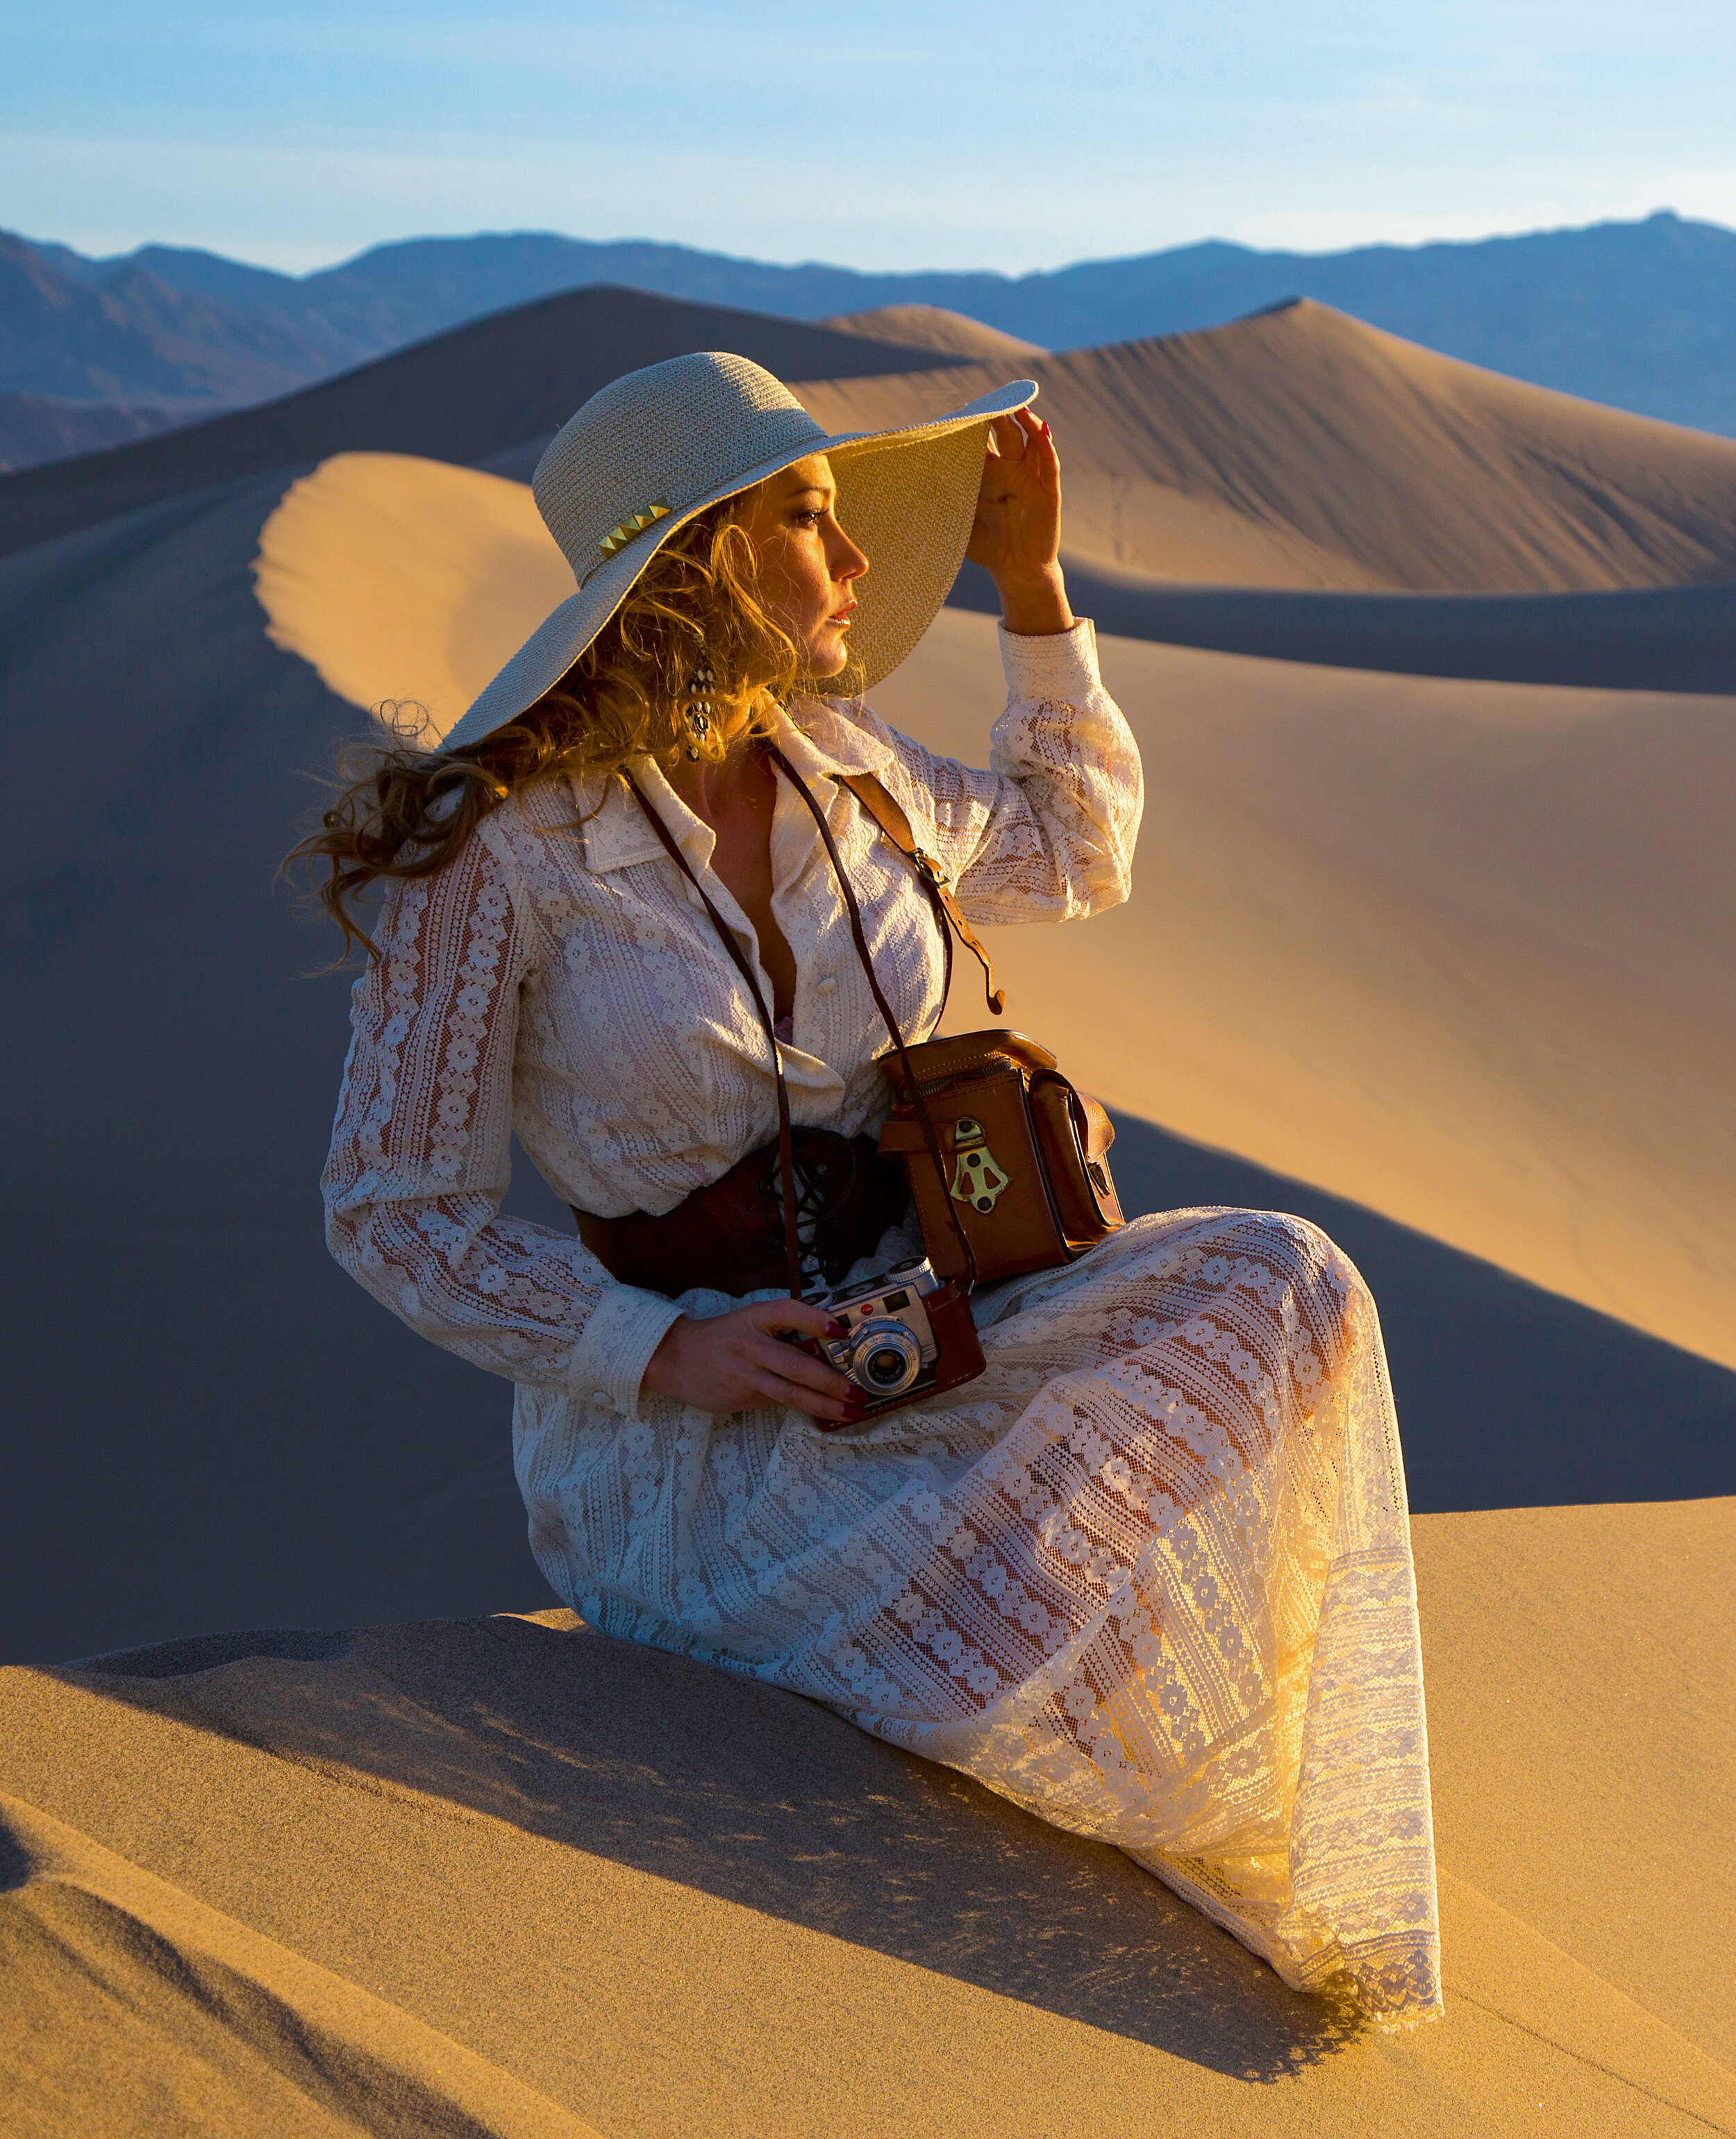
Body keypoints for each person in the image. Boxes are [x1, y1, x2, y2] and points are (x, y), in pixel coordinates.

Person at [300, 351, 1440, 2024]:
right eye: (813, 520)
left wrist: (1034, 587)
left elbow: (1073, 846)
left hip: (947, 1337)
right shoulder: (506, 852)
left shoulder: (850, 770)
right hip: (703, 1440)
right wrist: (655, 1349)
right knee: (980, 1661)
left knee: (1287, 1282)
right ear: (694, 557)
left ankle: (1204, 1827)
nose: (852, 566)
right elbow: (389, 1206)